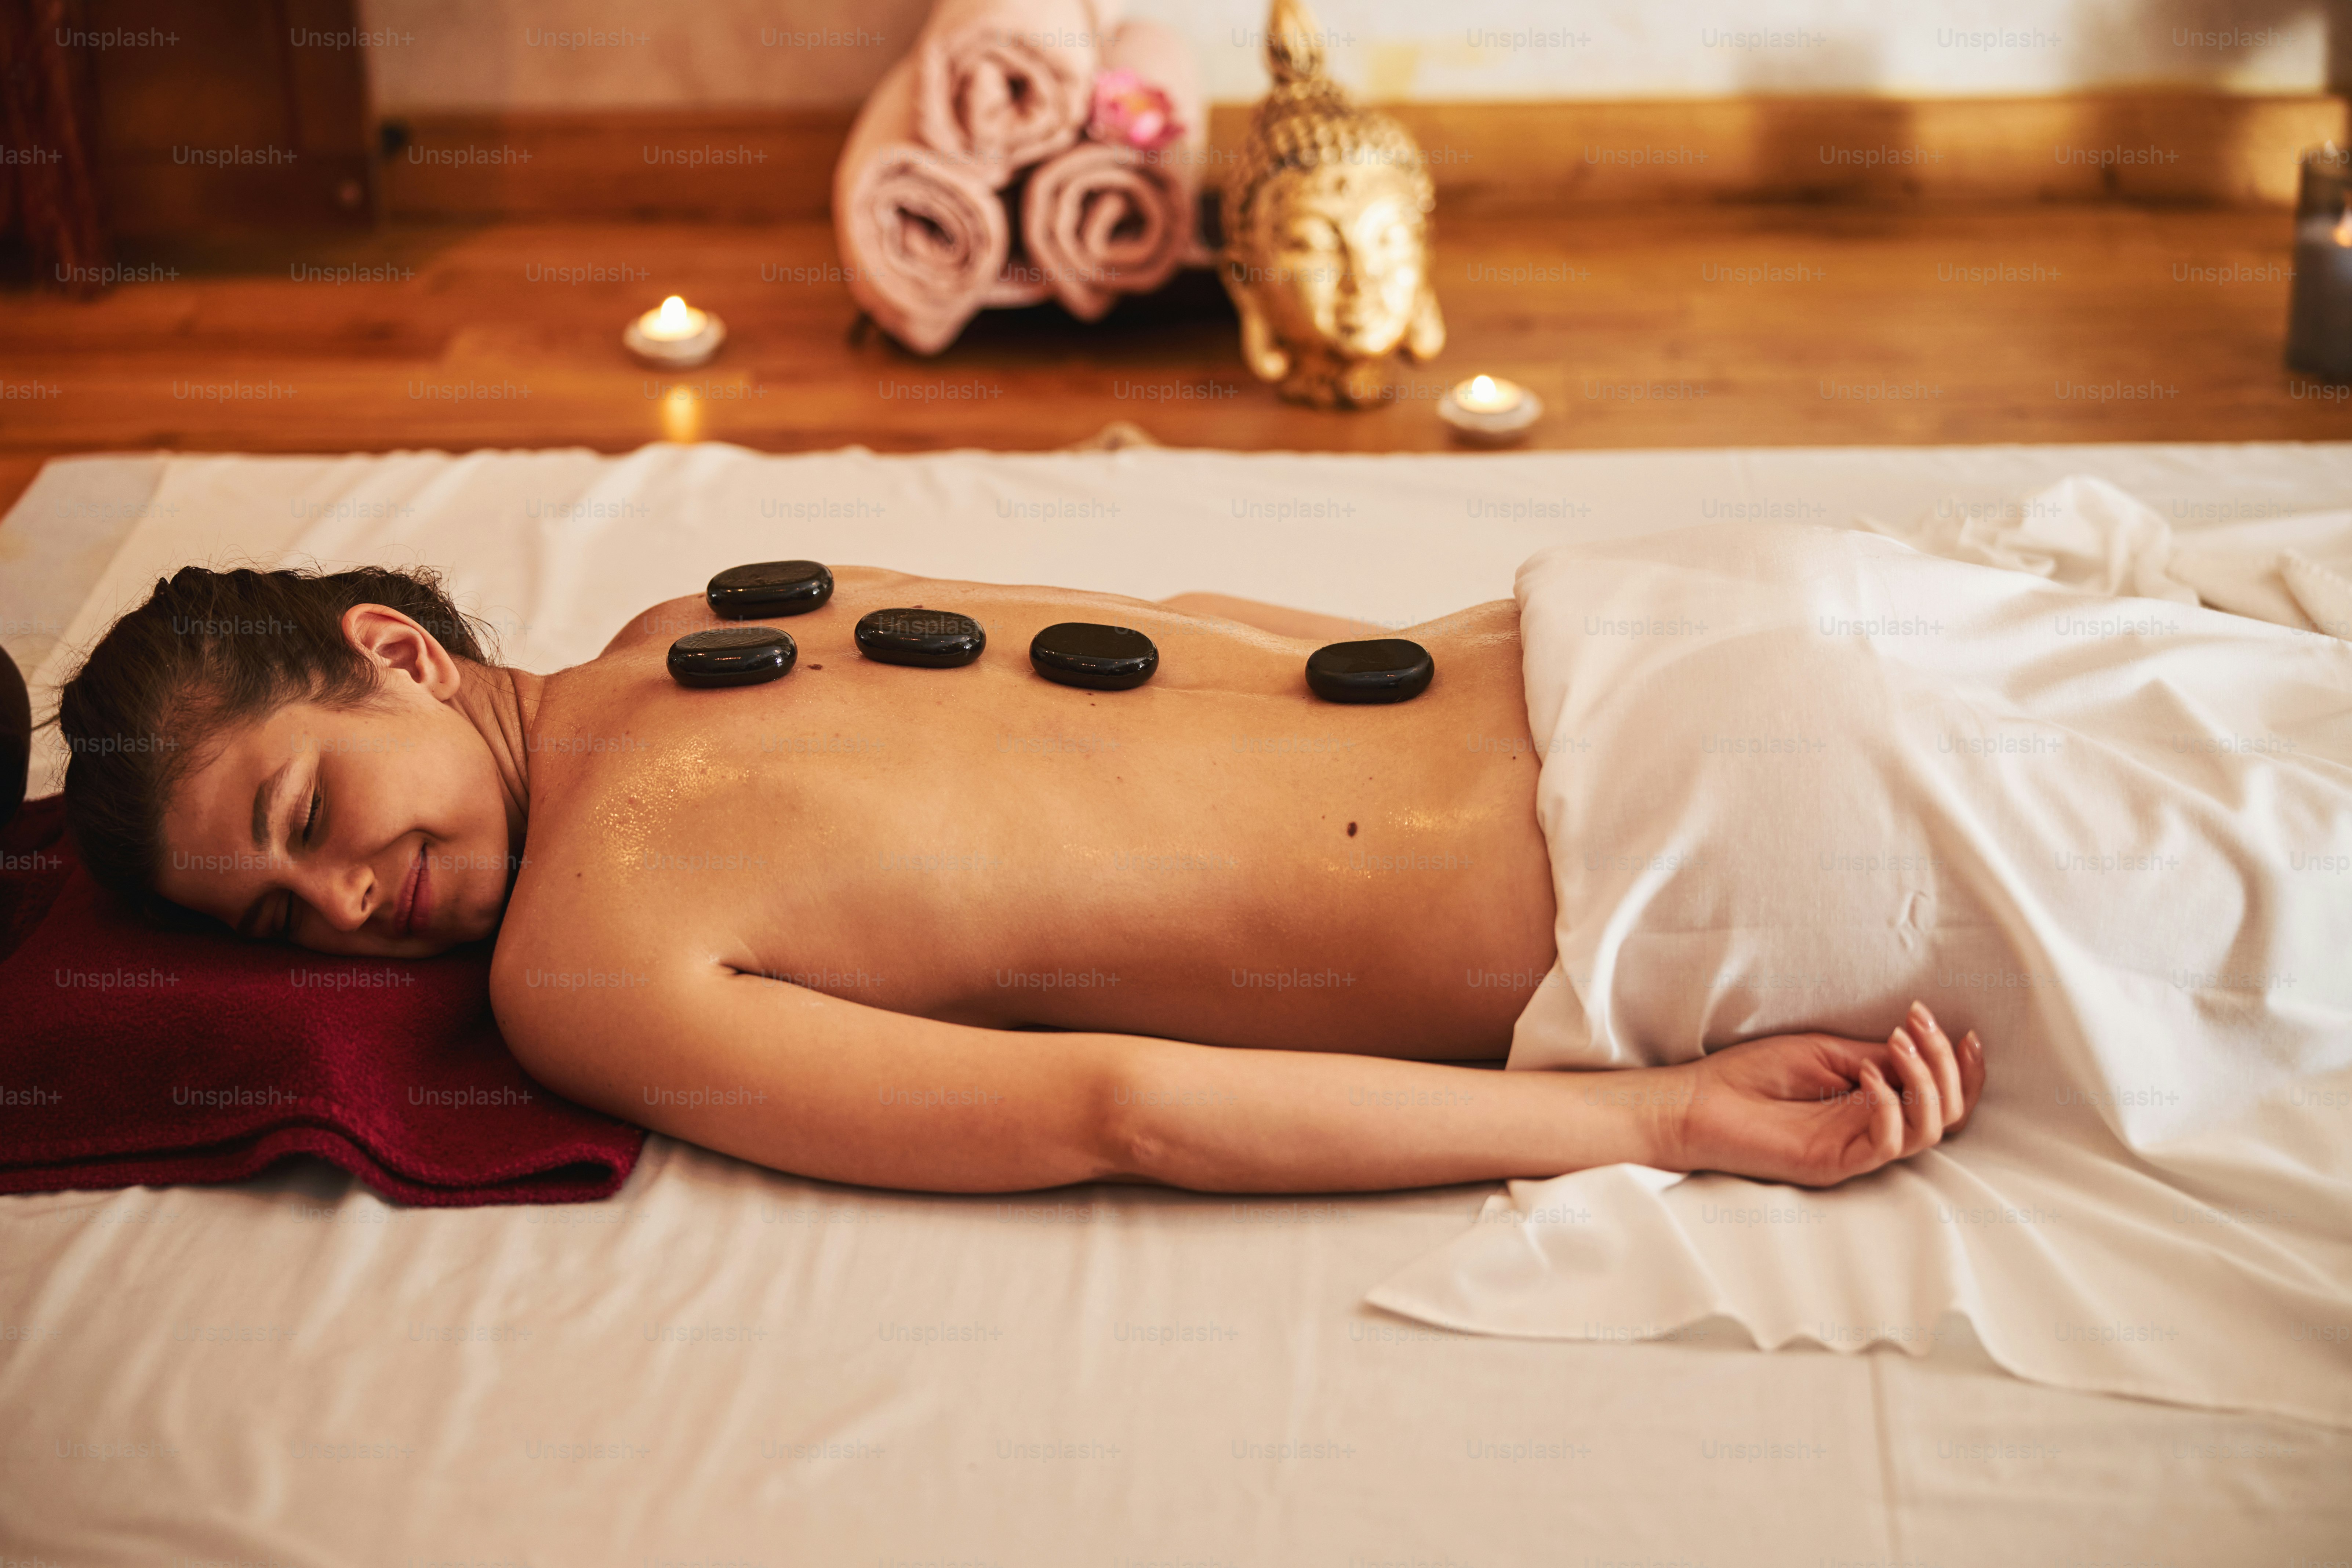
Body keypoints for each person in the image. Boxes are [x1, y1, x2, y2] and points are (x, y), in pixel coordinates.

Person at [54, 561, 1981, 1196]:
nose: (343, 915)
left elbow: (1114, 1109)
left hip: (1706, 861)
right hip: (1675, 627)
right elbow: (1210, 637)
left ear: (394, 652)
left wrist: (1643, 1119)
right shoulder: (699, 612)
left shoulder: (585, 965)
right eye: (275, 921)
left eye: (302, 820)